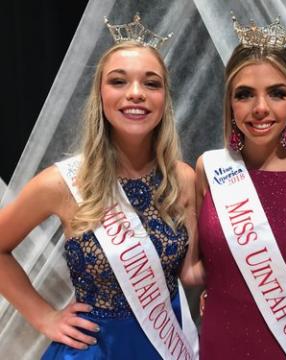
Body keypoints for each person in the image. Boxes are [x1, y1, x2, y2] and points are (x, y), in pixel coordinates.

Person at [0, 15, 201, 359]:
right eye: (118, 81)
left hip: (168, 344)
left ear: (165, 99)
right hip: (96, 350)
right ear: (100, 95)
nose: (135, 94)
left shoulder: (182, 178)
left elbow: (194, 272)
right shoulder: (61, 183)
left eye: (151, 84)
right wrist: (45, 317)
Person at [195, 14, 286, 360]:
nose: (261, 108)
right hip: (219, 340)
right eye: (245, 95)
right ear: (230, 104)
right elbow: (195, 264)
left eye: (277, 93)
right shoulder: (209, 169)